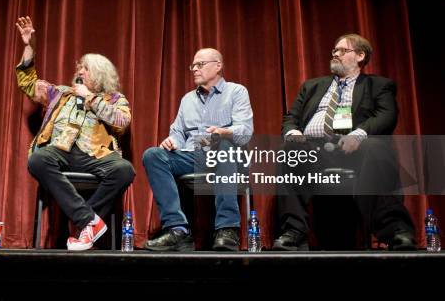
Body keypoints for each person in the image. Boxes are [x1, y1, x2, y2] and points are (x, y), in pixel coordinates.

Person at [273, 33, 416, 251]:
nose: (335, 54)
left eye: (342, 50)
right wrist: (292, 132)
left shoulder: (378, 85)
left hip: (355, 148)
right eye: (334, 51)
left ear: (360, 55)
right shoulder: (312, 86)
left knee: (376, 146)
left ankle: (396, 230)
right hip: (315, 147)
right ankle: (293, 231)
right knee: (289, 149)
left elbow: (386, 115)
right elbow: (291, 117)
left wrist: (358, 134)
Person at [15, 16, 135, 251]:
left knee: (124, 170)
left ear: (100, 74)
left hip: (96, 155)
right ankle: (88, 221)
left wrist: (89, 98)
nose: (79, 71)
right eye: (79, 68)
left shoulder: (114, 99)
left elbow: (122, 122)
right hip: (61, 150)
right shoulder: (60, 93)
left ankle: (85, 227)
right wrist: (28, 46)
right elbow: (28, 85)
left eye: (85, 68)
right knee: (38, 158)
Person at [143, 48, 254, 251]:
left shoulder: (236, 92)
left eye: (200, 64)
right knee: (153, 155)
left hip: (225, 155)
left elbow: (245, 131)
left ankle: (227, 229)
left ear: (218, 66)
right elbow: (177, 132)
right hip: (192, 155)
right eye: (193, 65)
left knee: (224, 145)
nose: (194, 69)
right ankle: (177, 229)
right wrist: (172, 140)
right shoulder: (187, 100)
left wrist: (223, 132)